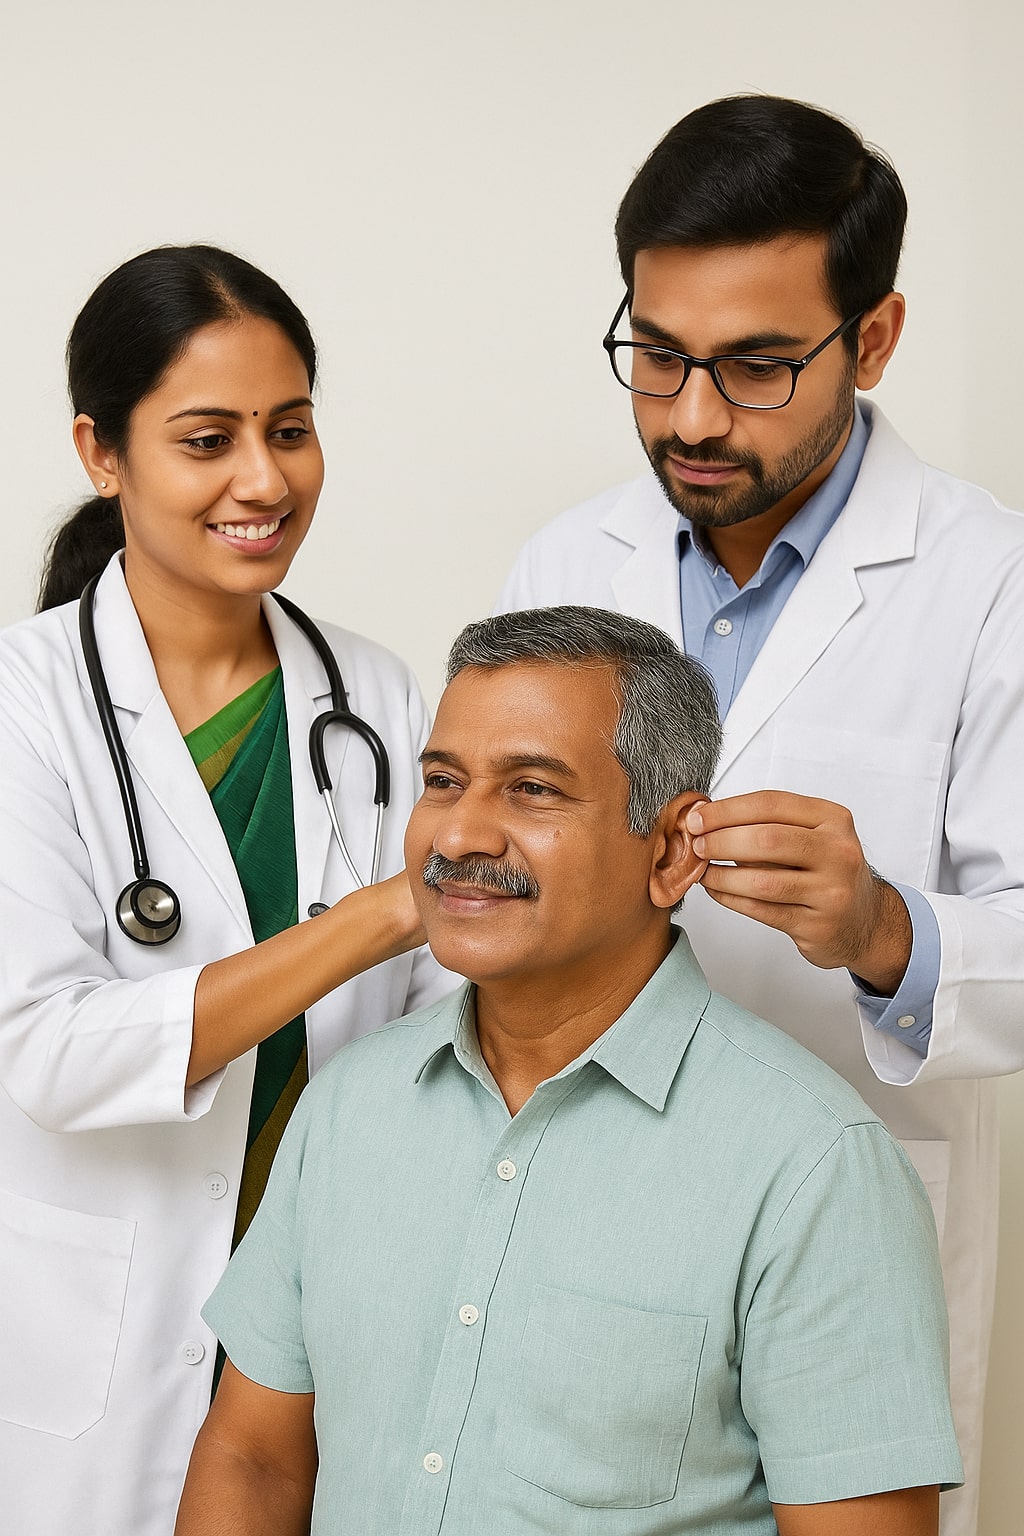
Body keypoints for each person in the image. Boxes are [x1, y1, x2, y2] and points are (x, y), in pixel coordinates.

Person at [495, 96, 1024, 1535]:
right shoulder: (566, 556)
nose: (693, 416)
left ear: (877, 337)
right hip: (579, 1199)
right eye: (655, 356)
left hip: (846, 1206)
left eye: (756, 366)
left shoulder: (988, 580)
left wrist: (881, 928)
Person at [176, 606, 962, 1536]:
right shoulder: (351, 1102)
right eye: (442, 781)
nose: (461, 834)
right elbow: (255, 1458)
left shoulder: (816, 1168)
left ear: (670, 850)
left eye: (534, 790)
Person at [0, 244, 451, 1536]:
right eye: (208, 440)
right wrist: (379, 913)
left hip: (321, 1321)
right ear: (103, 453)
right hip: (94, 1341)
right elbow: (54, 1053)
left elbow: (438, 1029)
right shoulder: (22, 708)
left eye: (291, 430)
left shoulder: (377, 698)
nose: (266, 481)